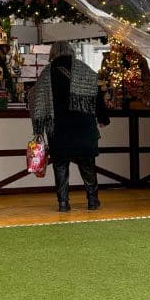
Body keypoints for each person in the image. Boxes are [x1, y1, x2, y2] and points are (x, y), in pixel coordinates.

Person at [30, 40, 109, 212]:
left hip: (59, 127)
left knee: (60, 166)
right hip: (84, 126)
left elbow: (35, 99)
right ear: (71, 51)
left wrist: (39, 126)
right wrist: (103, 118)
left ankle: (63, 203)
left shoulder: (47, 73)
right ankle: (92, 200)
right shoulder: (84, 69)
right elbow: (96, 95)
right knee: (87, 164)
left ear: (53, 53)